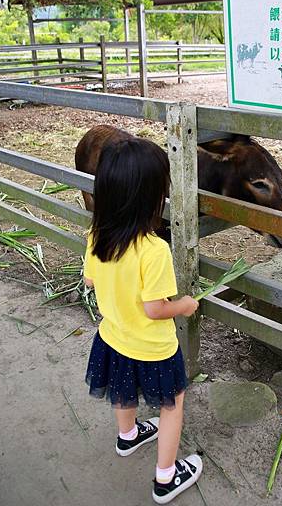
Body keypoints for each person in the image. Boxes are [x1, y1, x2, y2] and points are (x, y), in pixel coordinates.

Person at [83, 136, 202, 504]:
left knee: (122, 389)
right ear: (152, 198)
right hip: (153, 348)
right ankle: (165, 478)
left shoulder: (97, 235)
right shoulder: (154, 250)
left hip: (113, 335)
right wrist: (183, 305)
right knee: (172, 404)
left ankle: (128, 435)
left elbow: (89, 279)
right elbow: (155, 308)